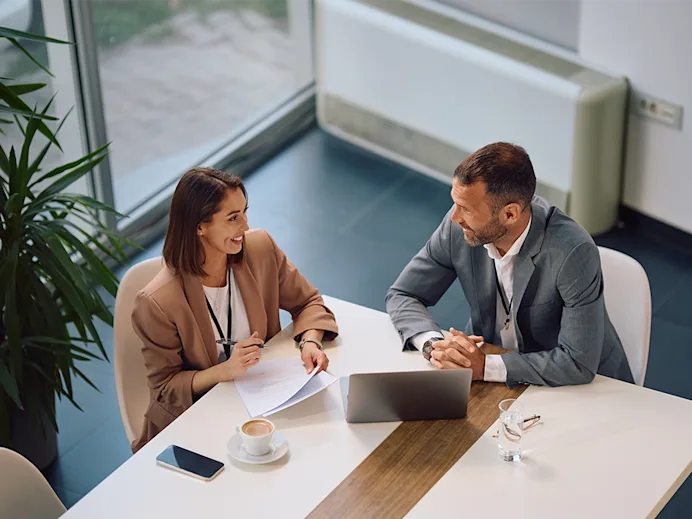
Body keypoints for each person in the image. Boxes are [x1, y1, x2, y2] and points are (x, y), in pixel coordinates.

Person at [386, 142, 633, 387]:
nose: (454, 217)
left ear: (510, 214)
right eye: (456, 203)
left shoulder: (572, 252)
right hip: (494, 369)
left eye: (467, 209)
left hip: (578, 385)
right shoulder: (458, 227)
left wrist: (484, 367)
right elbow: (403, 294)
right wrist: (433, 346)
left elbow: (577, 363)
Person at [131, 167, 338, 452]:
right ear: (199, 226)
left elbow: (308, 302)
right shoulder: (157, 301)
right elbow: (166, 389)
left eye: (244, 212)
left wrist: (310, 341)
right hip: (199, 422)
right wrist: (225, 370)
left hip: (265, 404)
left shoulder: (260, 249)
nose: (244, 226)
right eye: (232, 218)